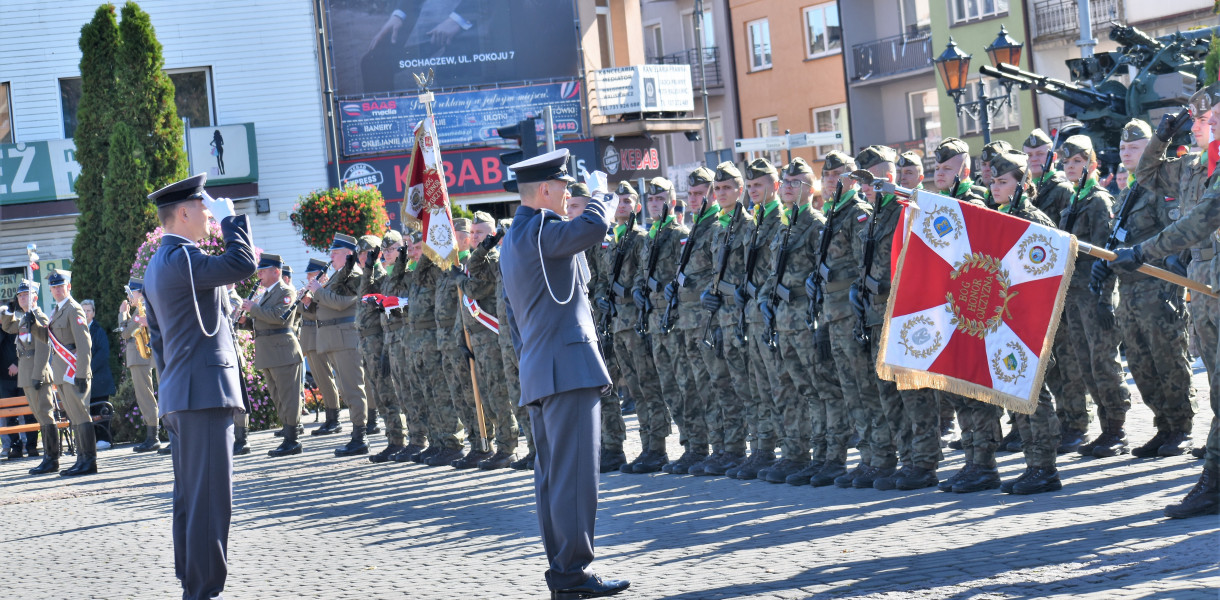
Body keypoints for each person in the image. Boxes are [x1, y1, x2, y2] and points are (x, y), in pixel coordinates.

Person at [501, 148, 629, 599]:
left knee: (553, 479)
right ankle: (572, 575)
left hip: (542, 368)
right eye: (565, 189)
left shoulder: (515, 237)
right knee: (575, 478)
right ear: (545, 190)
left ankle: (563, 572)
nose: (568, 194)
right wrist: (600, 195)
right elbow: (593, 227)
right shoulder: (541, 230)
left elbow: (514, 319)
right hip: (567, 370)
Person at [143, 173, 257, 600]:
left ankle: (193, 581)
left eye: (215, 212)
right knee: (210, 498)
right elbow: (242, 264)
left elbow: (158, 342)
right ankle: (203, 591)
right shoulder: (184, 259)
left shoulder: (160, 264)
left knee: (192, 496)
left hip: (183, 392)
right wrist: (234, 223)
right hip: (203, 392)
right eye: (205, 209)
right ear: (184, 212)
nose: (210, 214)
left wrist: (174, 385)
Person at [306, 233, 371, 457]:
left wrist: (318, 292)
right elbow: (324, 307)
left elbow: (343, 304)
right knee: (345, 388)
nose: (331, 256)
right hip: (333, 339)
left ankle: (360, 437)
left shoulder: (354, 275)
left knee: (353, 388)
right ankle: (357, 434)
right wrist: (310, 300)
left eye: (336, 253)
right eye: (332, 252)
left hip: (346, 338)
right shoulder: (337, 276)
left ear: (349, 254)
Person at [242, 253, 305, 457]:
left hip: (283, 351)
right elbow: (263, 321)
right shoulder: (266, 293)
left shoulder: (286, 291)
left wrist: (254, 309)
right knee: (278, 397)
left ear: (276, 271)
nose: (259, 274)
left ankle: (293, 439)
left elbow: (280, 318)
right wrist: (246, 322)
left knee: (289, 397)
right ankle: (287, 435)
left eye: (263, 270)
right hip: (270, 352)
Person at [1, 280, 58, 474]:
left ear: (35, 297)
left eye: (26, 295)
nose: (22, 298)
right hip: (26, 372)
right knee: (39, 414)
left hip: (36, 372)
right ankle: (48, 458)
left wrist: (38, 374)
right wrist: (7, 312)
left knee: (45, 413)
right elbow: (9, 328)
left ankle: (52, 458)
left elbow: (44, 346)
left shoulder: (38, 316)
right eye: (20, 296)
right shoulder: (26, 318)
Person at [45, 270, 96, 476]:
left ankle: (89, 461)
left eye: (61, 286)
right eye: (54, 287)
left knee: (82, 415)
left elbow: (84, 344)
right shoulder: (58, 310)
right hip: (62, 372)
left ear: (69, 287)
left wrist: (82, 373)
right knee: (74, 417)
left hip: (74, 371)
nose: (58, 290)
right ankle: (81, 459)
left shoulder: (74, 309)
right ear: (50, 290)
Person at [120, 279, 161, 453]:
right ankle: (153, 435)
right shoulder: (141, 309)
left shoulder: (141, 310)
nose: (129, 297)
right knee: (146, 395)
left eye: (132, 293)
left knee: (145, 396)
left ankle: (153, 437)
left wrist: (122, 314)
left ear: (140, 294)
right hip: (140, 355)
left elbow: (125, 332)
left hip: (140, 356)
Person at [82, 299, 116, 446]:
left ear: (93, 313)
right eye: (83, 310)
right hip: (84, 380)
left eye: (88, 310)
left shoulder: (98, 330)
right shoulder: (77, 330)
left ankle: (104, 440)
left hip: (99, 379)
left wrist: (88, 369)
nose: (85, 313)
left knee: (100, 411)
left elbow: (103, 354)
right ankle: (93, 440)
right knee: (88, 412)